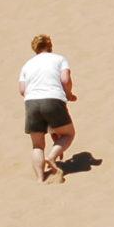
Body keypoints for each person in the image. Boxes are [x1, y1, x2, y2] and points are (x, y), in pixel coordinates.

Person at [19, 33, 77, 183]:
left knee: (37, 145)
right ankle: (51, 157)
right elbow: (65, 79)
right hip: (53, 99)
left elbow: (21, 89)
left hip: (31, 102)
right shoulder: (59, 59)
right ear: (50, 45)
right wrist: (69, 94)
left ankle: (40, 178)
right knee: (68, 134)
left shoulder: (27, 64)